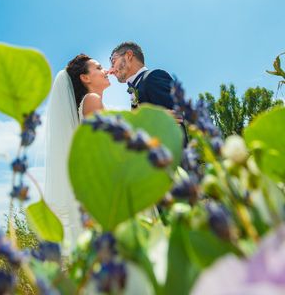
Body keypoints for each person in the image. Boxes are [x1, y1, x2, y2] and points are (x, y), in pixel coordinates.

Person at [43, 54, 110, 250]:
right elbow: (104, 149)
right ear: (85, 78)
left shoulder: (89, 103)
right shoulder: (92, 100)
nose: (105, 70)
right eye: (98, 68)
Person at [109, 41, 188, 146]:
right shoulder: (134, 91)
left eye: (113, 61)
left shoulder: (153, 77)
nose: (111, 70)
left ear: (128, 55)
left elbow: (177, 117)